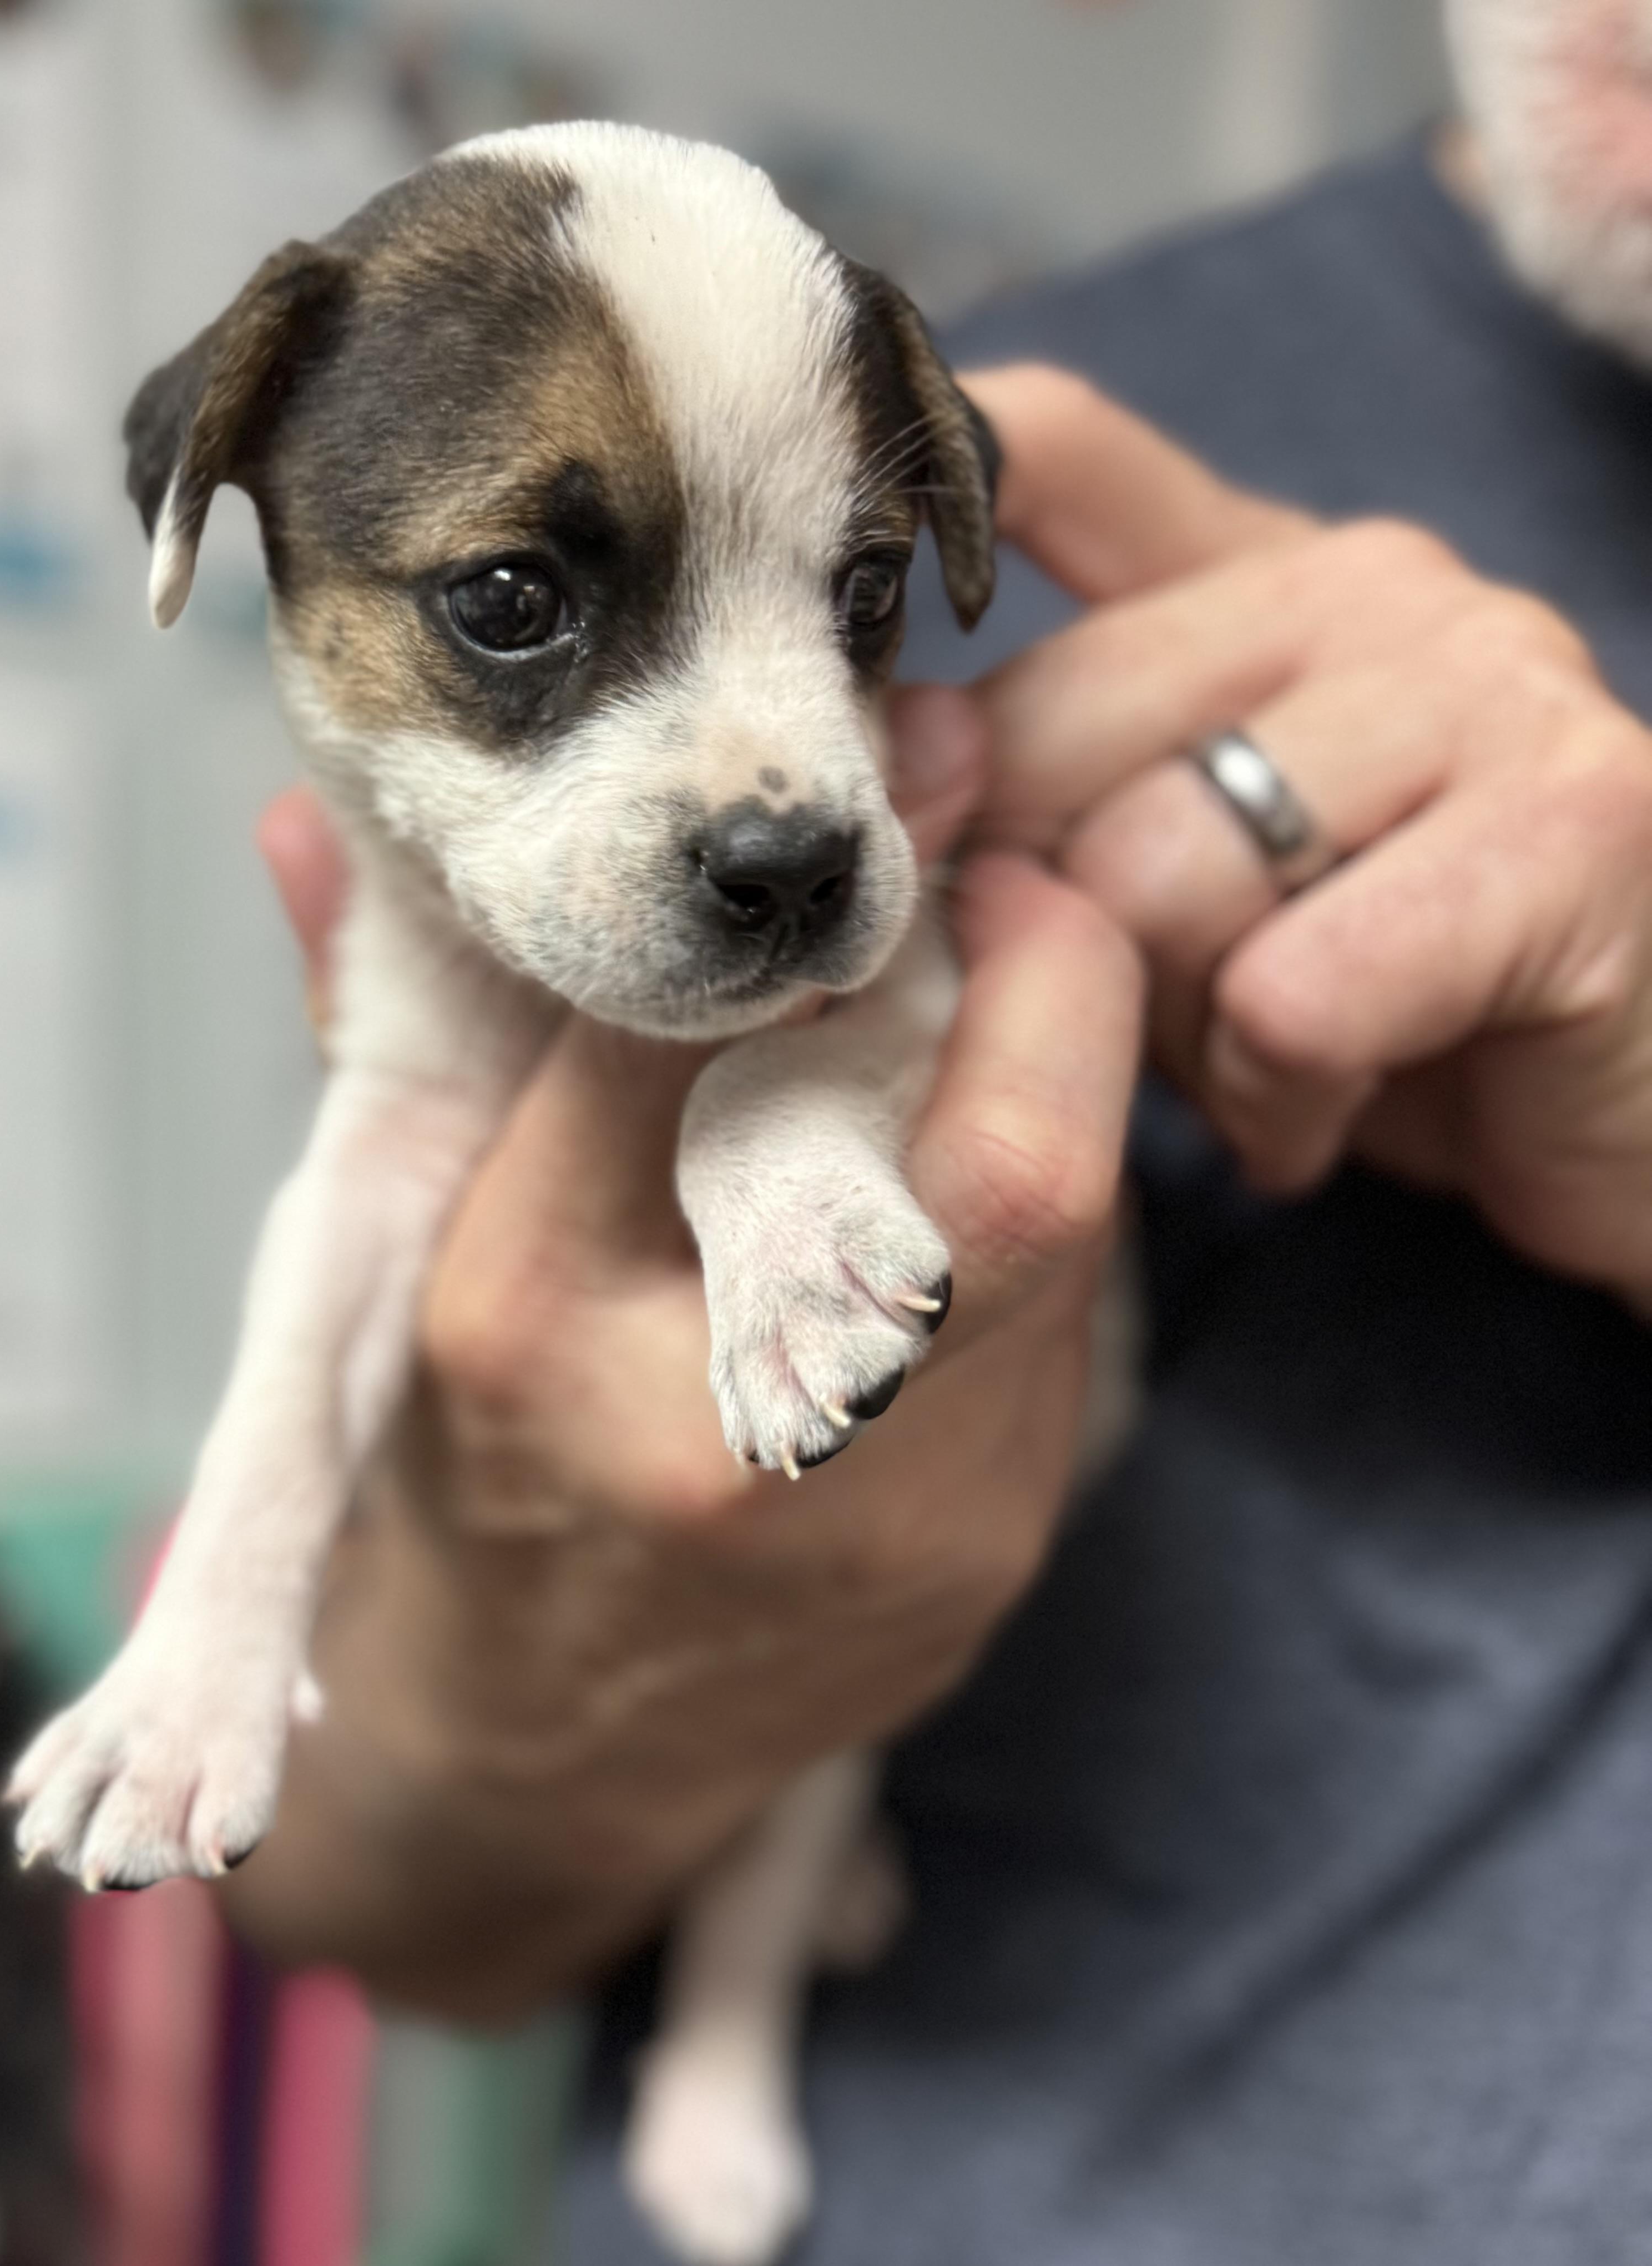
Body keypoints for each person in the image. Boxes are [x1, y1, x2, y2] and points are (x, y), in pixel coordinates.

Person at [225, 0, 1652, 2254]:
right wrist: (538, 1649)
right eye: (522, 605)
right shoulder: (929, 384)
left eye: (854, 603)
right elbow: (345, 1880)